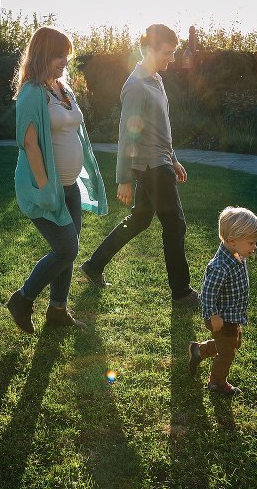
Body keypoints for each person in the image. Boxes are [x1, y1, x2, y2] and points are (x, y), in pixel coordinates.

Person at [79, 24, 198, 307]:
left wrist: (174, 158)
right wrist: (123, 178)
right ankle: (181, 293)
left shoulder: (155, 79)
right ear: (148, 50)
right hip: (151, 167)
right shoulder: (135, 87)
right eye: (167, 53)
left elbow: (160, 128)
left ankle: (93, 266)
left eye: (173, 52)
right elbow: (127, 134)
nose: (171, 58)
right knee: (175, 224)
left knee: (141, 219)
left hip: (160, 161)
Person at [6, 26, 108, 334]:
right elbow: (30, 144)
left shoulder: (62, 88)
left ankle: (58, 309)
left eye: (66, 55)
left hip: (70, 185)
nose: (64, 61)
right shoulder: (31, 94)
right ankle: (23, 299)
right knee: (66, 250)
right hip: (44, 188)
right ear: (41, 54)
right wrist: (45, 187)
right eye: (57, 55)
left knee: (70, 248)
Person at [188, 206, 257, 396]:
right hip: (221, 317)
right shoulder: (220, 266)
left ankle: (199, 350)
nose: (254, 247)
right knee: (227, 353)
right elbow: (207, 293)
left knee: (233, 343)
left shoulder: (236, 253)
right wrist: (213, 315)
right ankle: (217, 383)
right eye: (252, 242)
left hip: (232, 315)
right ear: (232, 241)